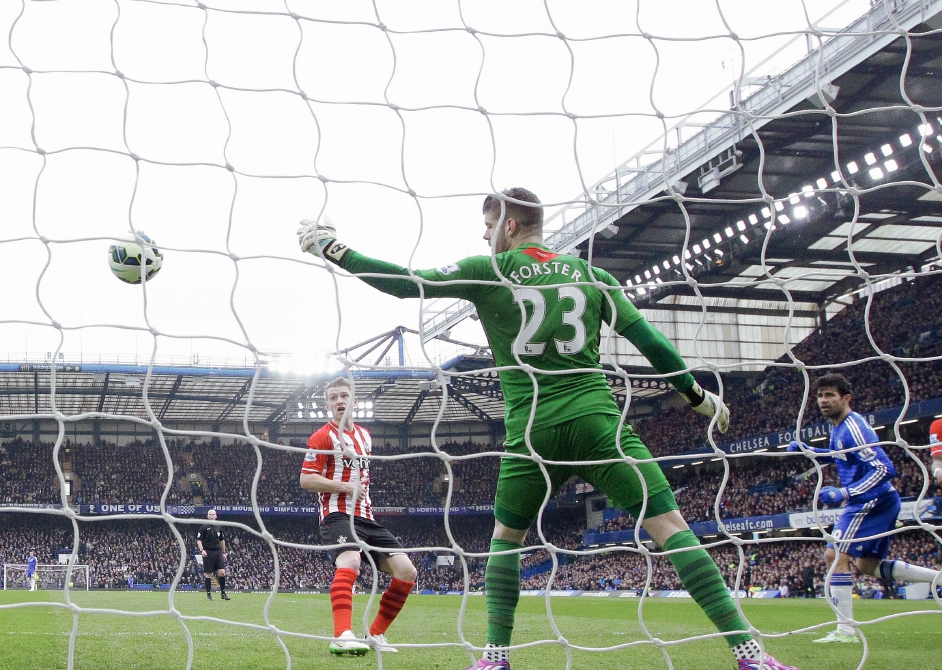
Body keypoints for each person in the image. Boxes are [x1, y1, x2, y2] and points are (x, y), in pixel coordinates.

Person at [298, 189, 794, 670]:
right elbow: (648, 339)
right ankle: (750, 655)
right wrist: (694, 394)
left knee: (505, 542)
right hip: (597, 423)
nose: (485, 234)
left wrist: (332, 248)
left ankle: (496, 657)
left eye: (490, 226)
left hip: (532, 434)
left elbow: (406, 282)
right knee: (672, 530)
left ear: (509, 227)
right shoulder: (593, 276)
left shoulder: (488, 271)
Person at [786, 374, 942, 644]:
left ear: (846, 398)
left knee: (834, 555)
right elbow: (843, 455)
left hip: (870, 500)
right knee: (868, 566)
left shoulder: (854, 427)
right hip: (878, 500)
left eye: (830, 395)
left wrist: (845, 492)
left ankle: (845, 631)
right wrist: (809, 449)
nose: (823, 400)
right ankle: (939, 579)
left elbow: (884, 468)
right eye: (820, 395)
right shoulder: (838, 428)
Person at [300, 376, 417, 656]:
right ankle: (342, 635)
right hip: (336, 513)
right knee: (351, 560)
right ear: (328, 405)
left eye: (344, 396)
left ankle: (375, 635)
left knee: (406, 571)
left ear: (354, 401)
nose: (339, 401)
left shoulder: (365, 436)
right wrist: (344, 487)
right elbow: (306, 479)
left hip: (366, 517)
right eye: (333, 398)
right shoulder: (322, 436)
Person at [196, 510, 231, 601]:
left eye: (213, 514)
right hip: (208, 552)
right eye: (210, 514)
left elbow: (222, 540)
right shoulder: (203, 527)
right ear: (207, 516)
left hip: (218, 552)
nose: (212, 516)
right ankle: (209, 595)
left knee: (222, 572)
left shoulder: (219, 527)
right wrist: (202, 550)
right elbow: (199, 540)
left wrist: (223, 552)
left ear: (216, 516)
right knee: (208, 574)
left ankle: (223, 593)